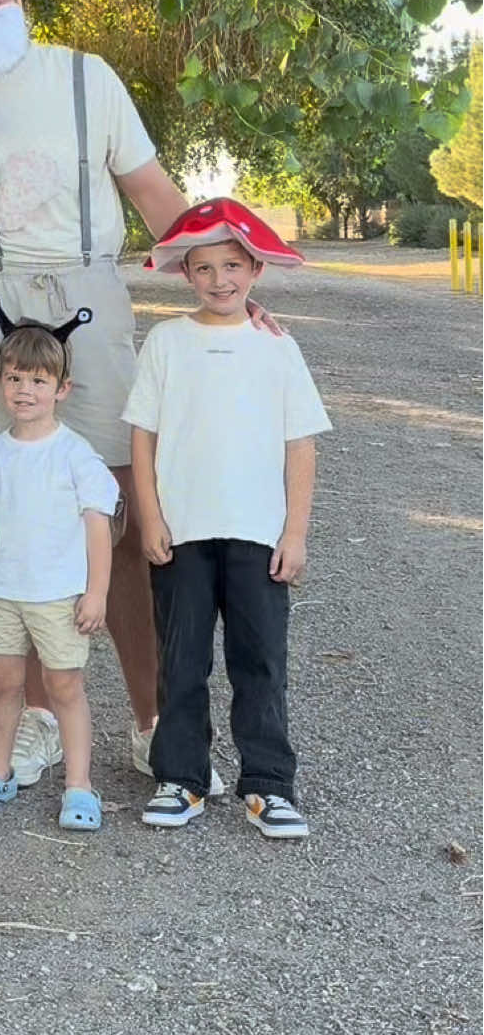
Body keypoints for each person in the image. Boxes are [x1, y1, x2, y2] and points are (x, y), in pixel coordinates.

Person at [0, 0, 211, 792]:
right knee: (19, 509)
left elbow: (158, 201)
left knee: (119, 516)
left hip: (89, 296)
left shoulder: (88, 78)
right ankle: (40, 719)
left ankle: (153, 717)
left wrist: (241, 292)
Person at [123, 198, 331, 838]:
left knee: (261, 660)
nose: (220, 280)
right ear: (187, 273)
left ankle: (269, 785)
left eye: (233, 266)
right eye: (206, 268)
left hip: (258, 534)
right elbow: (144, 438)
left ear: (255, 270)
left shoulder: (276, 346)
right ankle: (180, 778)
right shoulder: (166, 341)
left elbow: (300, 442)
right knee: (180, 659)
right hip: (182, 531)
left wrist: (294, 532)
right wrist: (150, 516)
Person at [0, 311, 117, 830]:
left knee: (64, 685)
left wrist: (97, 593)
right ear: (1, 380)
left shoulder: (75, 456)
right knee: (2, 682)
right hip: (3, 591)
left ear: (61, 388)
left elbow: (98, 529)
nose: (25, 390)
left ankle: (79, 785)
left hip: (57, 595)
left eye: (38, 381)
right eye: (14, 378)